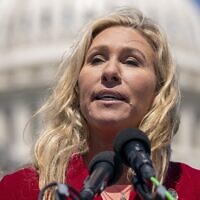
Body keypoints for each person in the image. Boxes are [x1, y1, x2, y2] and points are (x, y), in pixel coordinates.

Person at [0, 7, 200, 200]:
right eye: (96, 59)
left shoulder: (193, 188)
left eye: (131, 61)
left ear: (159, 90)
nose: (110, 71)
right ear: (77, 87)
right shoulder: (20, 190)